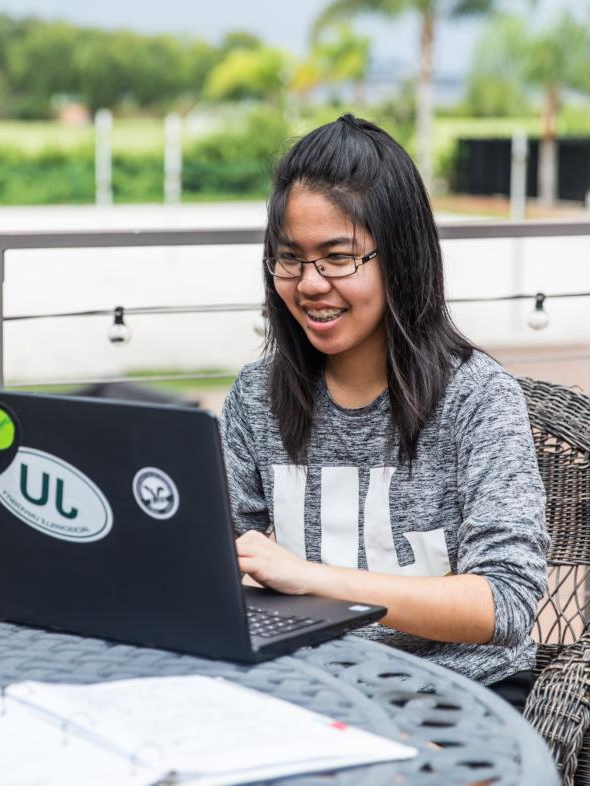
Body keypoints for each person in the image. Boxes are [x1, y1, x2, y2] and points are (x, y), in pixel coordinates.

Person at [220, 114, 548, 712]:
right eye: (289, 258)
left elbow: (504, 603)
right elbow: (208, 559)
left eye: (337, 257)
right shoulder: (256, 397)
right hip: (304, 691)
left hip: (458, 698)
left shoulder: (477, 399)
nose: (309, 284)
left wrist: (313, 578)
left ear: (399, 256)